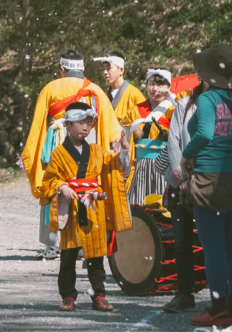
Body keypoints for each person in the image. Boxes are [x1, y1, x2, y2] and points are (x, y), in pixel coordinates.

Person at [21, 49, 130, 260]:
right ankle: (82, 241)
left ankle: (52, 244)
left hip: (56, 143)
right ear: (83, 69)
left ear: (62, 69)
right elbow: (112, 129)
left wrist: (33, 152)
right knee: (83, 185)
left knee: (54, 184)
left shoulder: (50, 88)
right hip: (86, 140)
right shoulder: (95, 90)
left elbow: (37, 126)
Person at [181, 43, 232, 327]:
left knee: (213, 248)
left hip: (210, 178)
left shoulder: (208, 99)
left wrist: (186, 156)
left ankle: (218, 308)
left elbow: (205, 134)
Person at [41, 101, 128, 312]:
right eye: (80, 123)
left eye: (89, 122)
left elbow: (116, 167)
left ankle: (99, 295)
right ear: (68, 125)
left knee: (96, 256)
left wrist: (123, 150)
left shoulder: (98, 151)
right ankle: (68, 296)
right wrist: (61, 186)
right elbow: (49, 179)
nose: (85, 127)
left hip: (92, 209)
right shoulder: (58, 154)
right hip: (71, 210)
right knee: (68, 256)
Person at [154, 80, 203, 313]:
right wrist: (182, 177)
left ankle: (219, 296)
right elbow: (173, 141)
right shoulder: (183, 104)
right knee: (182, 242)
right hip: (179, 181)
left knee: (211, 242)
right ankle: (185, 294)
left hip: (206, 182)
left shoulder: (222, 103)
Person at [126, 68, 175, 206]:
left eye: (160, 85)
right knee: (139, 204)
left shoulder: (174, 109)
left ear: (169, 87)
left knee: (162, 204)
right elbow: (124, 136)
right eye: (151, 83)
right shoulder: (134, 110)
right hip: (140, 163)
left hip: (165, 164)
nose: (155, 88)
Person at [95, 51, 145, 129]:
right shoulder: (103, 96)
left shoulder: (135, 95)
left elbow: (142, 125)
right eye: (103, 69)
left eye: (109, 68)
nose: (105, 72)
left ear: (121, 70)